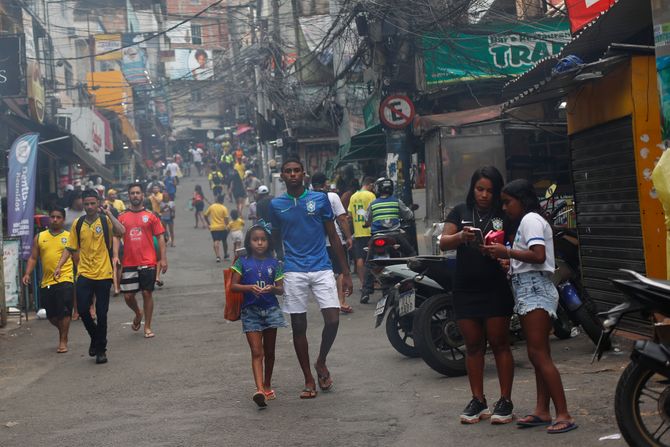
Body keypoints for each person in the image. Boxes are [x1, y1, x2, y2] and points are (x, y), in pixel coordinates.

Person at [483, 179, 577, 434]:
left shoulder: (530, 220)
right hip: (529, 287)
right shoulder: (529, 221)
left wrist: (508, 252)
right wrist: (509, 260)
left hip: (535, 289)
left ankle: (563, 413)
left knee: (538, 354)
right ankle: (542, 410)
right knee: (538, 354)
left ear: (522, 200)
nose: (504, 208)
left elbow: (538, 255)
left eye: (507, 202)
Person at [269, 158, 352, 399]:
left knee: (333, 320)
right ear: (282, 176)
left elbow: (333, 237)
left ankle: (321, 362)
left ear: (304, 174)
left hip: (322, 266)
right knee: (298, 326)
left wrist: (345, 272)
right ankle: (308, 378)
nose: (293, 174)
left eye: (296, 171)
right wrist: (278, 272)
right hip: (293, 270)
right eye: (288, 171)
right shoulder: (276, 205)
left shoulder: (320, 199)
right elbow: (274, 240)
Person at [439, 167, 515, 425]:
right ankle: (478, 399)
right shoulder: (460, 211)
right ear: (473, 189)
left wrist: (503, 254)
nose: (484, 195)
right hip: (465, 287)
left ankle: (505, 400)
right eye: (480, 189)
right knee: (472, 345)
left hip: (495, 287)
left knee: (499, 343)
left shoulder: (503, 215)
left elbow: (516, 246)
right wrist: (461, 236)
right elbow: (443, 241)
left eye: (489, 191)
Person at [54, 189, 125, 364]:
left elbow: (121, 230)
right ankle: (95, 337)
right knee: (83, 310)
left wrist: (109, 213)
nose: (90, 207)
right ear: (83, 205)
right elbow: (70, 248)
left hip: (103, 273)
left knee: (102, 313)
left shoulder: (105, 220)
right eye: (87, 204)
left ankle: (101, 350)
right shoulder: (78, 224)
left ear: (98, 203)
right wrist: (59, 266)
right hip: (84, 272)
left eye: (93, 203)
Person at [230, 222, 286, 407]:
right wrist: (249, 287)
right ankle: (259, 389)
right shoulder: (241, 262)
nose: (259, 243)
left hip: (271, 310)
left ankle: (268, 385)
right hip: (250, 311)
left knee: (269, 352)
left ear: (268, 242)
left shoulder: (275, 263)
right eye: (255, 240)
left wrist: (272, 288)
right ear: (249, 242)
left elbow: (280, 289)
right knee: (256, 351)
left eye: (263, 240)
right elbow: (233, 285)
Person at [118, 183, 168, 339]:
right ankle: (138, 312)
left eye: (137, 193)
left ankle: (147, 326)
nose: (135, 196)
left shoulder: (151, 216)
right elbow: (115, 237)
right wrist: (115, 256)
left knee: (147, 293)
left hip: (148, 261)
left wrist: (163, 258)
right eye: (132, 193)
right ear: (129, 196)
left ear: (142, 195)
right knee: (128, 296)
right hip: (128, 262)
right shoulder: (121, 217)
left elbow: (160, 237)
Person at [23, 207, 75, 353]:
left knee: (64, 311)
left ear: (63, 220)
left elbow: (77, 257)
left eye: (58, 217)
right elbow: (33, 258)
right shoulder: (40, 237)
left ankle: (63, 340)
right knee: (52, 315)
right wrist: (27, 273)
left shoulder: (69, 236)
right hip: (47, 281)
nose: (55, 220)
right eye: (52, 217)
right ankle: (63, 330)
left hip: (65, 278)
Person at [311, 173, 354, 313]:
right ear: (325, 183)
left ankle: (328, 303)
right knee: (341, 271)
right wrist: (348, 237)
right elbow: (342, 219)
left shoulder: (307, 199)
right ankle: (341, 301)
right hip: (335, 239)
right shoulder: (333, 196)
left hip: (317, 242)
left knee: (324, 273)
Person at [365, 177, 416, 256]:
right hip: (395, 235)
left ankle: (368, 266)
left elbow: (367, 220)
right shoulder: (396, 201)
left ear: (377, 188)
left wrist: (367, 223)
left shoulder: (372, 204)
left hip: (376, 235)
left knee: (369, 256)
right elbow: (409, 215)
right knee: (411, 253)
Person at [347, 177, 376, 304]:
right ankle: (372, 282)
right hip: (370, 231)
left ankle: (363, 283)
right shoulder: (371, 195)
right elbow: (375, 211)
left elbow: (350, 215)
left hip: (358, 232)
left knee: (359, 259)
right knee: (373, 259)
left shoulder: (353, 197)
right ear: (369, 185)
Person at [204, 195, 230, 262]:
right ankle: (225, 254)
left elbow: (205, 215)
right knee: (224, 241)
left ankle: (218, 256)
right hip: (223, 227)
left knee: (216, 241)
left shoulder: (212, 207)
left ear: (217, 200)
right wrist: (228, 226)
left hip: (214, 228)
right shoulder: (224, 208)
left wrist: (209, 224)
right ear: (222, 201)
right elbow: (226, 219)